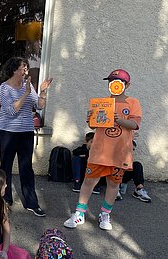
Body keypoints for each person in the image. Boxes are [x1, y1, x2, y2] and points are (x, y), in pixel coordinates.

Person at [64, 69, 142, 231]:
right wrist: (91, 119)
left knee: (113, 184)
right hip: (99, 151)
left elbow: (135, 125)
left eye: (118, 82)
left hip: (119, 153)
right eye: (111, 82)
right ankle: (80, 213)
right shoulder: (103, 102)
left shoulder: (133, 102)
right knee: (89, 182)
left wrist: (118, 120)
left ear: (127, 85)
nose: (113, 85)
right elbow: (94, 125)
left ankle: (105, 214)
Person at [0, 56, 52, 217]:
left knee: (26, 167)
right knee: (5, 166)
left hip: (26, 131)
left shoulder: (28, 86)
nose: (26, 70)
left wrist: (42, 91)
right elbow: (11, 110)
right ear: (14, 70)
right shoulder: (4, 88)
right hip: (8, 131)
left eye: (27, 67)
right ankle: (4, 200)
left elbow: (39, 106)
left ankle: (31, 203)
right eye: (23, 67)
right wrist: (26, 93)